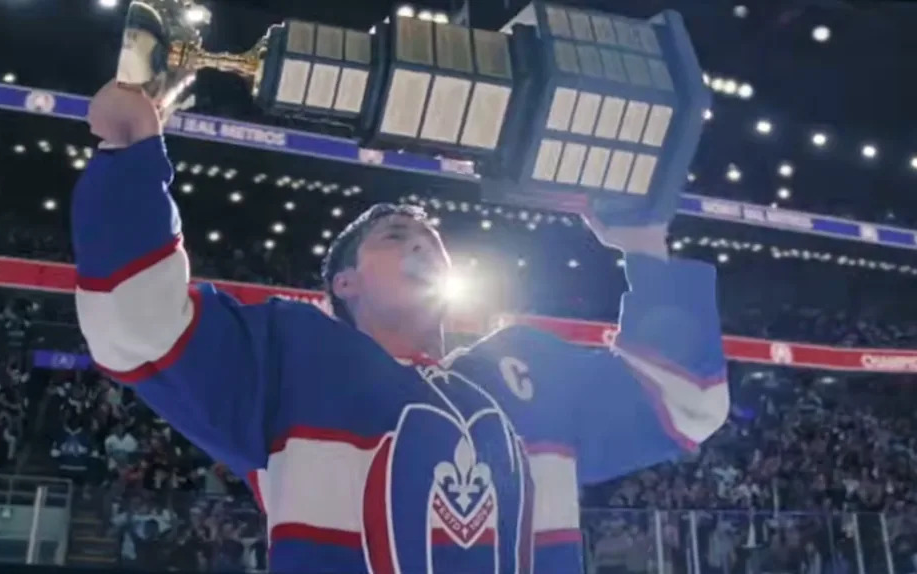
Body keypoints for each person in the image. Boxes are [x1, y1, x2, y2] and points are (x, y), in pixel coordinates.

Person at [73, 80, 730, 574]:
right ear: (344, 284)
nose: (423, 245)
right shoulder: (291, 354)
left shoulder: (530, 369)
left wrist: (644, 243)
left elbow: (690, 403)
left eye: (431, 240)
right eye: (395, 236)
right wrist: (132, 153)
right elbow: (135, 320)